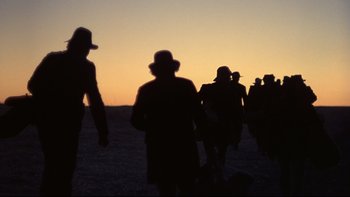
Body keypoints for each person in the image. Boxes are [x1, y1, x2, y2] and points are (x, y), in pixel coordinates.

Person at [27, 27, 109, 196]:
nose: (87, 52)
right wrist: (102, 130)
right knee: (64, 168)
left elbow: (32, 85)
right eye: (87, 48)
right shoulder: (87, 67)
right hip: (68, 123)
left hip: (48, 121)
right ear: (82, 47)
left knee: (53, 166)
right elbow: (94, 99)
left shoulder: (52, 59)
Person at [130, 50, 206, 196]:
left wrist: (153, 129)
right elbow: (199, 114)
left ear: (155, 70)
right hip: (184, 142)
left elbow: (136, 120)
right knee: (187, 186)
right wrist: (202, 132)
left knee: (166, 188)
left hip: (159, 145)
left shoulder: (147, 89)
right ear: (173, 68)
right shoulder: (186, 85)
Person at [198, 66, 242, 175]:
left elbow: (195, 103)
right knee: (221, 152)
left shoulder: (207, 88)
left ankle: (213, 172)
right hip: (222, 126)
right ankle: (216, 172)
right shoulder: (232, 90)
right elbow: (235, 110)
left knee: (213, 152)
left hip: (212, 126)